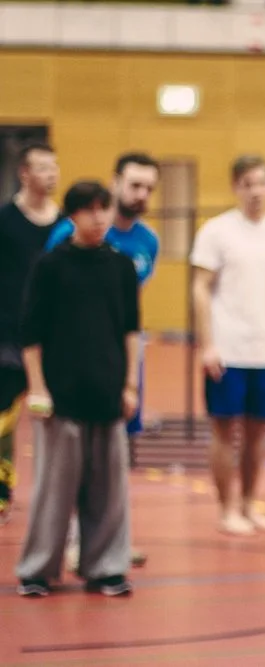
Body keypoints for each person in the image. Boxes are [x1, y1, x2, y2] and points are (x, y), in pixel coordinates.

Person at [15, 180, 138, 598]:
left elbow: (130, 331)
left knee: (109, 492)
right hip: (61, 397)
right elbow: (30, 335)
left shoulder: (121, 267)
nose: (99, 217)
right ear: (72, 216)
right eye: (90, 210)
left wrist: (129, 385)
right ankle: (38, 570)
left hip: (107, 393)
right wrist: (38, 388)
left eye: (104, 209)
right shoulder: (51, 266)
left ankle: (105, 568)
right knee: (54, 491)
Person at [48, 152, 160, 570]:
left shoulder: (148, 241)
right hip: (76, 360)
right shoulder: (69, 234)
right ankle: (74, 540)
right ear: (115, 183)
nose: (141, 194)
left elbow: (131, 310)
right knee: (75, 456)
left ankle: (110, 539)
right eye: (134, 185)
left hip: (122, 358)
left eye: (149, 187)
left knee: (118, 451)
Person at [191, 154, 265, 537]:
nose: (255, 191)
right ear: (236, 187)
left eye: (261, 183)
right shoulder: (217, 231)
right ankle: (226, 509)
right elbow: (201, 287)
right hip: (227, 348)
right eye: (247, 184)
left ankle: (249, 503)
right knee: (225, 431)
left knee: (258, 432)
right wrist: (208, 344)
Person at [0, 142, 60, 525]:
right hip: (7, 337)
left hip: (54, 339)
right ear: (24, 173)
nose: (51, 174)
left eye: (55, 167)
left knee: (55, 420)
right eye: (43, 168)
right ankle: (3, 491)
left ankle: (55, 497)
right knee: (4, 419)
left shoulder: (65, 225)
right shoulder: (5, 220)